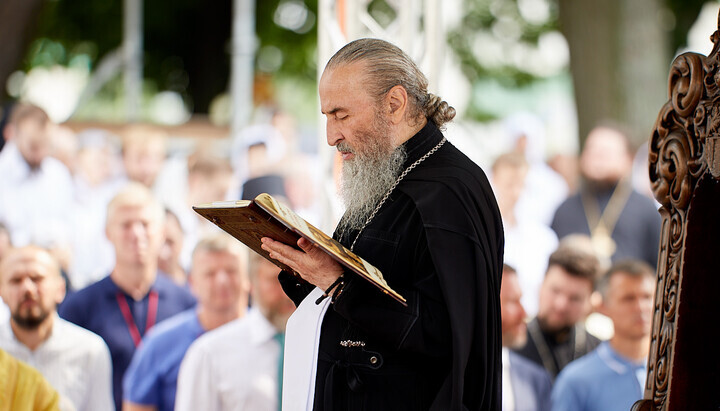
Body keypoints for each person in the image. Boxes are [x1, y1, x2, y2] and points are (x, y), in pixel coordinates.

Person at [260, 38, 504, 410]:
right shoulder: (385, 173)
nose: (331, 137)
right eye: (326, 117)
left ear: (394, 104)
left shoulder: (450, 192)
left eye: (341, 115)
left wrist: (337, 283)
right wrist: (307, 265)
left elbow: (448, 336)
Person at [59, 183, 196, 410]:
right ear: (107, 233)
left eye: (145, 224)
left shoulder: (186, 303)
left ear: (162, 232)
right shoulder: (80, 306)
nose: (136, 233)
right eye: (126, 225)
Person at [122, 233, 250, 411]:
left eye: (231, 271)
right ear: (192, 282)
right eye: (210, 274)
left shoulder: (272, 337)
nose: (222, 281)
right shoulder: (160, 344)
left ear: (248, 278)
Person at [175, 253, 296, 411]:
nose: (290, 292)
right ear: (252, 282)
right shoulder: (209, 353)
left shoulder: (321, 346)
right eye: (277, 280)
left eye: (299, 280)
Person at [0, 246, 113, 411]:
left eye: (36, 278)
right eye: (16, 280)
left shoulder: (90, 350)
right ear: (2, 292)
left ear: (60, 289)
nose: (27, 288)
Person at [550, 123, 661, 266]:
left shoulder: (645, 209)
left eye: (604, 153)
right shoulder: (565, 209)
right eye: (591, 151)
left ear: (628, 159)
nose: (596, 159)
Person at [551, 260, 654, 411]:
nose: (640, 307)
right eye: (628, 298)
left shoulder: (676, 372)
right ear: (603, 307)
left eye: (647, 297)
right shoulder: (576, 381)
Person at [514, 244, 601, 378]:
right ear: (541, 285)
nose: (561, 305)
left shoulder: (598, 353)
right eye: (555, 291)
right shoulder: (512, 345)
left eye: (575, 298)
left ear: (590, 302)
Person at [492, 152, 558, 317]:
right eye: (509, 184)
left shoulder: (543, 238)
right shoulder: (481, 233)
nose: (515, 193)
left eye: (520, 185)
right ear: (493, 181)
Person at [0, 103, 74, 249]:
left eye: (45, 145)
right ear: (14, 135)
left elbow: (68, 223)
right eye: (33, 146)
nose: (40, 153)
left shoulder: (58, 173)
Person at [500, 265, 552, 411]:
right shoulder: (452, 375)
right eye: (512, 301)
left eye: (520, 300)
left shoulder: (537, 380)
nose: (524, 313)